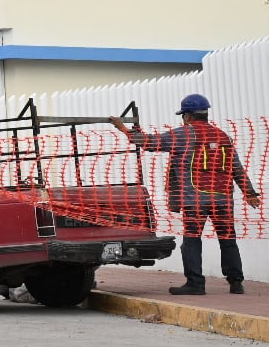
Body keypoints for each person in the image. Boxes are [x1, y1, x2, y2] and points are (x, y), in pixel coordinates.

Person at [112, 94, 262, 296]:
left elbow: (148, 143)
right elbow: (236, 167)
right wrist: (249, 193)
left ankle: (195, 284)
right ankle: (236, 283)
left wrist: (123, 129)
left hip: (195, 199)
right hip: (223, 199)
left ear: (189, 116)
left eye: (183, 115)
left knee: (192, 240)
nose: (183, 119)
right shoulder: (222, 136)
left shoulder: (183, 134)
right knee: (228, 239)